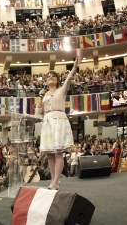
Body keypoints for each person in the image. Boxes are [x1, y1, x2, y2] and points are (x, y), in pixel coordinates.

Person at [37, 49, 81, 190]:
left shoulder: (61, 90)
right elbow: (38, 110)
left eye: (53, 76)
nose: (51, 77)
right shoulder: (44, 95)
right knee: (49, 154)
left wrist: (74, 66)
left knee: (58, 152)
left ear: (57, 79)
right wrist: (39, 96)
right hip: (47, 122)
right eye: (49, 76)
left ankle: (56, 181)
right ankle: (53, 180)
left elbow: (69, 78)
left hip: (59, 121)